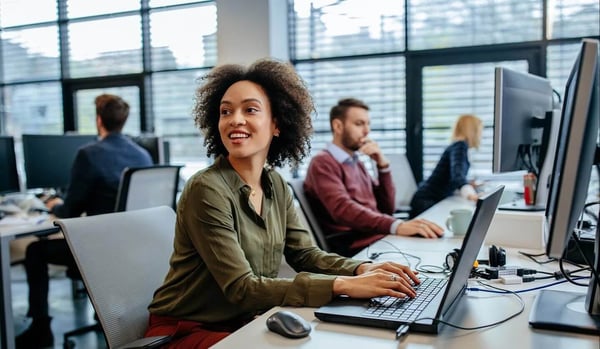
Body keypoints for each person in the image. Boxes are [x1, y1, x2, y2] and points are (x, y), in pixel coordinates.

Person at [144, 59, 421, 349]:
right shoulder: (206, 189)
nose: (235, 119)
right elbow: (242, 288)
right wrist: (343, 285)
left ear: (277, 124)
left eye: (250, 109)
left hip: (243, 320)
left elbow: (305, 254)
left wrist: (360, 269)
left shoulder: (275, 184)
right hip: (185, 331)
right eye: (226, 111)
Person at [15, 94, 153, 349]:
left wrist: (54, 204)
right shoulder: (142, 154)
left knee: (35, 250)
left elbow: (70, 210)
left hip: (100, 251)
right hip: (134, 248)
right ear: (123, 121)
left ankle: (40, 328)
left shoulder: (89, 154)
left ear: (99, 120)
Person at [303, 98, 444, 257]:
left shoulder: (357, 162)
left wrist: (383, 167)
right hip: (356, 245)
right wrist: (395, 225)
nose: (366, 131)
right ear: (338, 126)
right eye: (359, 124)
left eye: (368, 124)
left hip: (375, 237)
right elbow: (343, 209)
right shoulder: (322, 163)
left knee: (433, 243)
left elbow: (387, 208)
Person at [409, 114, 483, 218]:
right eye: (479, 131)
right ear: (472, 131)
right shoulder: (460, 146)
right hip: (426, 201)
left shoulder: (457, 146)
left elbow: (452, 177)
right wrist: (472, 195)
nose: (480, 135)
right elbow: (457, 177)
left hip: (431, 198)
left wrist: (469, 184)